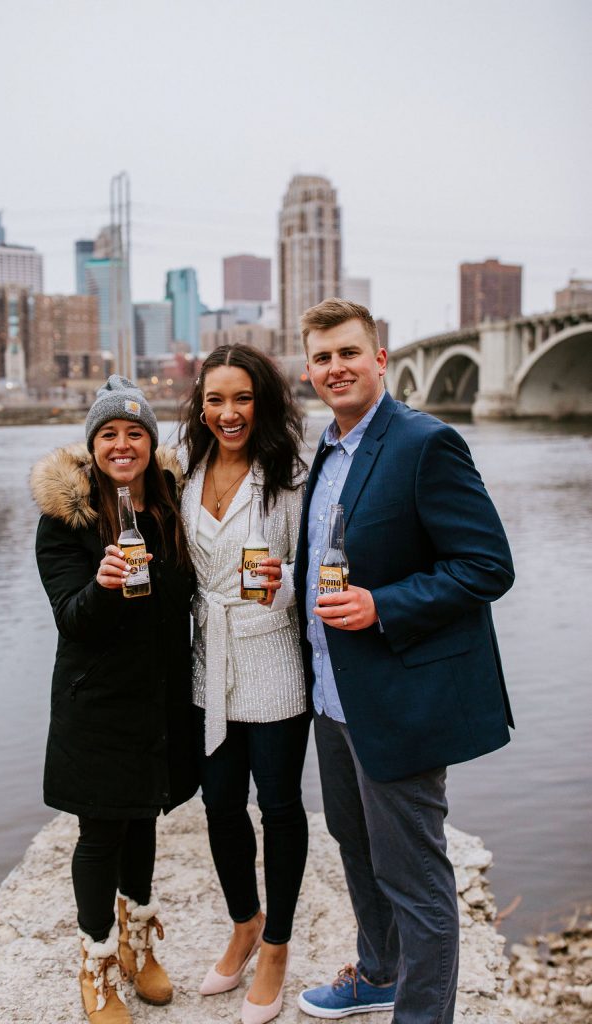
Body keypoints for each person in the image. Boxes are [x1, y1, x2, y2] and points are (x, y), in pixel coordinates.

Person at [293, 300, 515, 1024]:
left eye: (349, 352)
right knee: (353, 846)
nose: (336, 368)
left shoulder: (425, 442)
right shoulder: (326, 447)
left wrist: (381, 604)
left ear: (380, 358)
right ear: (308, 369)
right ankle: (379, 972)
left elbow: (485, 565)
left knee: (415, 877)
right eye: (322, 357)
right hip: (332, 693)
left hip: (397, 696)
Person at [31, 375, 197, 1024]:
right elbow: (73, 618)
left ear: (150, 444)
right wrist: (101, 584)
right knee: (101, 831)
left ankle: (137, 942)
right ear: (92, 445)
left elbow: (184, 592)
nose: (122, 444)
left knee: (145, 816)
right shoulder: (64, 521)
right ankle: (96, 962)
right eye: (109, 434)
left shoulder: (166, 507)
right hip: (96, 703)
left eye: (134, 433)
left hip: (158, 696)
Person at [178, 344, 309, 1024]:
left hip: (273, 655)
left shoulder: (288, 475)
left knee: (279, 807)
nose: (228, 413)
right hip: (210, 660)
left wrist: (282, 585)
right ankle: (244, 923)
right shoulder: (185, 472)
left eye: (241, 398)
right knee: (220, 803)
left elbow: (316, 565)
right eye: (215, 400)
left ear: (263, 401)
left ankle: (279, 947)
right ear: (199, 406)